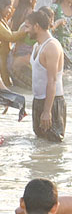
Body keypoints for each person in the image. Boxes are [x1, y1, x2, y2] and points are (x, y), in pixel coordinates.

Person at [27, 9, 66, 141]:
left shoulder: (51, 47)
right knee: (40, 142)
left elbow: (52, 80)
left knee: (53, 142)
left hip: (52, 102)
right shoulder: (37, 46)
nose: (26, 31)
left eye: (28, 27)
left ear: (36, 26)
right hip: (38, 100)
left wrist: (47, 111)